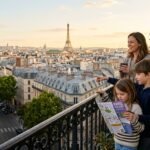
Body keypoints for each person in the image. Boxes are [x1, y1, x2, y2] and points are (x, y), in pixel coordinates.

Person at [123, 59, 150, 150]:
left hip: (147, 135)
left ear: (148, 74)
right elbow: (125, 84)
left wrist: (136, 116)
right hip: (140, 131)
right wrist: (108, 79)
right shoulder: (141, 87)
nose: (135, 77)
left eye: (138, 74)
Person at [113, 78, 144, 150]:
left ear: (129, 93)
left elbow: (141, 129)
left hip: (129, 145)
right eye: (117, 94)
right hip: (117, 141)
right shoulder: (118, 104)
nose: (119, 96)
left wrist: (133, 119)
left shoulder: (135, 107)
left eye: (122, 94)